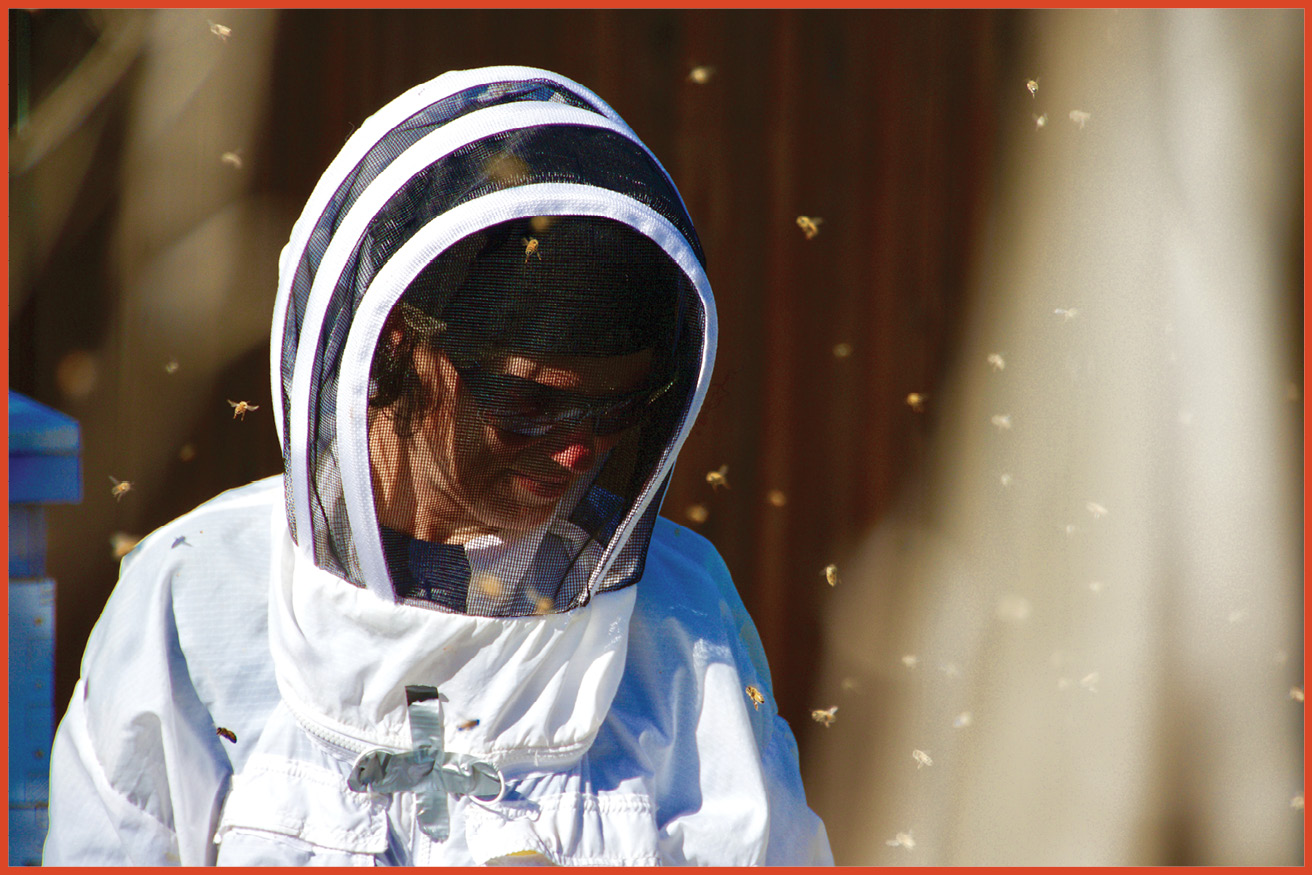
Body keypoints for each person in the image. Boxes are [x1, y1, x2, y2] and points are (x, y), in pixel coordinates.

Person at [43, 65, 833, 866]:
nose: (579, 450)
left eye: (616, 411)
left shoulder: (682, 616)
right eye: (531, 403)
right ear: (398, 347)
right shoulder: (194, 594)